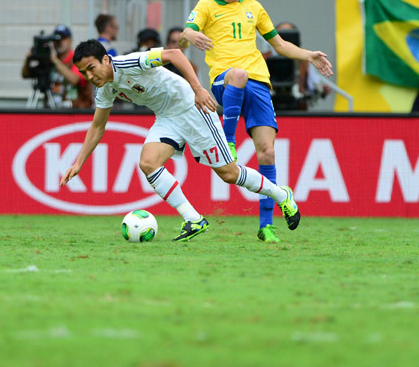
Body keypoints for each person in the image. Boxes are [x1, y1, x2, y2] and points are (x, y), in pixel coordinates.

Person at [61, 39, 302, 242]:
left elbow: (174, 54)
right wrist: (79, 162)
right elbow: (97, 125)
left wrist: (198, 89)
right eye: (84, 73)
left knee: (228, 174)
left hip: (192, 108)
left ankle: (282, 195)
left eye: (91, 68)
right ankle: (193, 219)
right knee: (148, 163)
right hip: (167, 117)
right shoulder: (104, 89)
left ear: (105, 60)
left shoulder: (129, 62)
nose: (89, 76)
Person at [180, 0, 334, 242]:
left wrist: (309, 55)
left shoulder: (254, 7)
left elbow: (279, 44)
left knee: (267, 153)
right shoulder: (205, 6)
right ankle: (228, 141)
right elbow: (183, 35)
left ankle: (266, 226)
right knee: (237, 73)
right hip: (224, 80)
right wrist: (190, 34)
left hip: (259, 84)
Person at [20, 25, 91, 108]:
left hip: (76, 113)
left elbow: (74, 79)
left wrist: (55, 60)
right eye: (56, 39)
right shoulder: (49, 60)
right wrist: (28, 59)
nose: (60, 42)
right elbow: (25, 74)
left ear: (70, 40)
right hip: (53, 111)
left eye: (63, 38)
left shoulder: (78, 59)